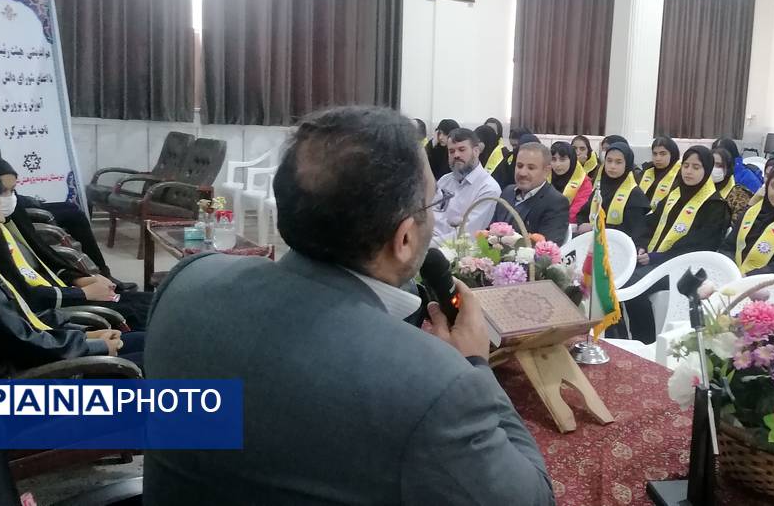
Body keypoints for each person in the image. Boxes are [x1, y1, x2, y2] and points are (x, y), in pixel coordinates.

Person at [144, 106, 553, 505]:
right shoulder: (434, 382)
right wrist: (476, 365)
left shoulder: (189, 281)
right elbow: (533, 497)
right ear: (404, 238)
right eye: (433, 206)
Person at [0, 168, 141, 375]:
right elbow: (23, 343)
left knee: (145, 339)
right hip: (37, 375)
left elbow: (26, 318)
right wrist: (94, 346)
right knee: (151, 357)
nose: (1, 218)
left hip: (53, 349)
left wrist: (83, 335)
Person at [0, 153, 154, 328]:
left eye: (13, 190)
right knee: (147, 315)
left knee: (152, 301)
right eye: (3, 192)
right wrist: (82, 294)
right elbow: (22, 297)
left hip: (61, 291)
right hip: (53, 312)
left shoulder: (9, 217)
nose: (9, 199)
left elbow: (45, 257)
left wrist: (80, 278)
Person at [616, 146, 730, 343]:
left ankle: (645, 341)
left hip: (686, 268)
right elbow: (649, 223)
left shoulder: (715, 205)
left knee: (631, 283)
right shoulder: (675, 194)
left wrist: (656, 257)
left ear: (707, 170)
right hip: (653, 260)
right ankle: (620, 337)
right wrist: (641, 245)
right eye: (686, 165)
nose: (689, 171)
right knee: (614, 275)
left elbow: (698, 245)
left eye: (696, 167)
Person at [431, 128, 502, 246]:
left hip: (460, 251)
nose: (456, 155)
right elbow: (429, 216)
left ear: (476, 151)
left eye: (462, 149)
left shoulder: (488, 188)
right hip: (430, 242)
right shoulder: (444, 180)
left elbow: (467, 236)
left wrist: (425, 244)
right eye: (451, 151)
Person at [491, 142, 570, 244]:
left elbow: (547, 249)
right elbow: (490, 231)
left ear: (546, 171)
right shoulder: (507, 192)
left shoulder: (556, 202)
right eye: (519, 166)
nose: (522, 173)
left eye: (531, 168)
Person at [575, 142, 649, 244]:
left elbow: (632, 229)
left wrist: (595, 228)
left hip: (616, 245)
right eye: (609, 161)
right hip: (589, 242)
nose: (612, 166)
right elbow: (583, 213)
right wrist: (582, 224)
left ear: (627, 164)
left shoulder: (634, 194)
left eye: (618, 162)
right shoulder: (599, 188)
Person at [549, 141, 593, 224]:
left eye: (562, 159)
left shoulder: (584, 182)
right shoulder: (545, 176)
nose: (557, 164)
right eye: (553, 159)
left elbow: (577, 211)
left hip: (569, 226)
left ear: (572, 160)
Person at [711, 147, 754, 221]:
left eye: (719, 165)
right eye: (711, 164)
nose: (713, 169)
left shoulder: (739, 195)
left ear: (728, 169)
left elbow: (739, 223)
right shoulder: (699, 188)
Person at [639, 137, 681, 211]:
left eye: (663, 154)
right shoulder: (646, 171)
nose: (658, 158)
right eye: (655, 154)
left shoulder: (681, 175)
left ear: (672, 154)